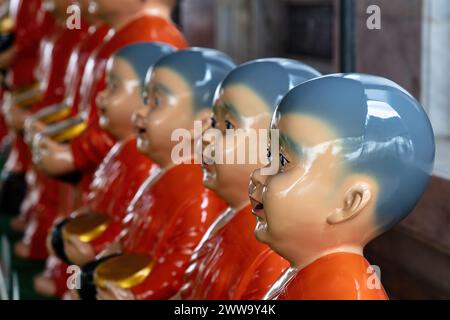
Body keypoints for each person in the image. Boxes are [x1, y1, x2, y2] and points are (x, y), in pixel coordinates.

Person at [249, 74, 435, 300]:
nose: (259, 174)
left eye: (283, 161)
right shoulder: (307, 274)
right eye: (270, 155)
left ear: (349, 203)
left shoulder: (341, 292)